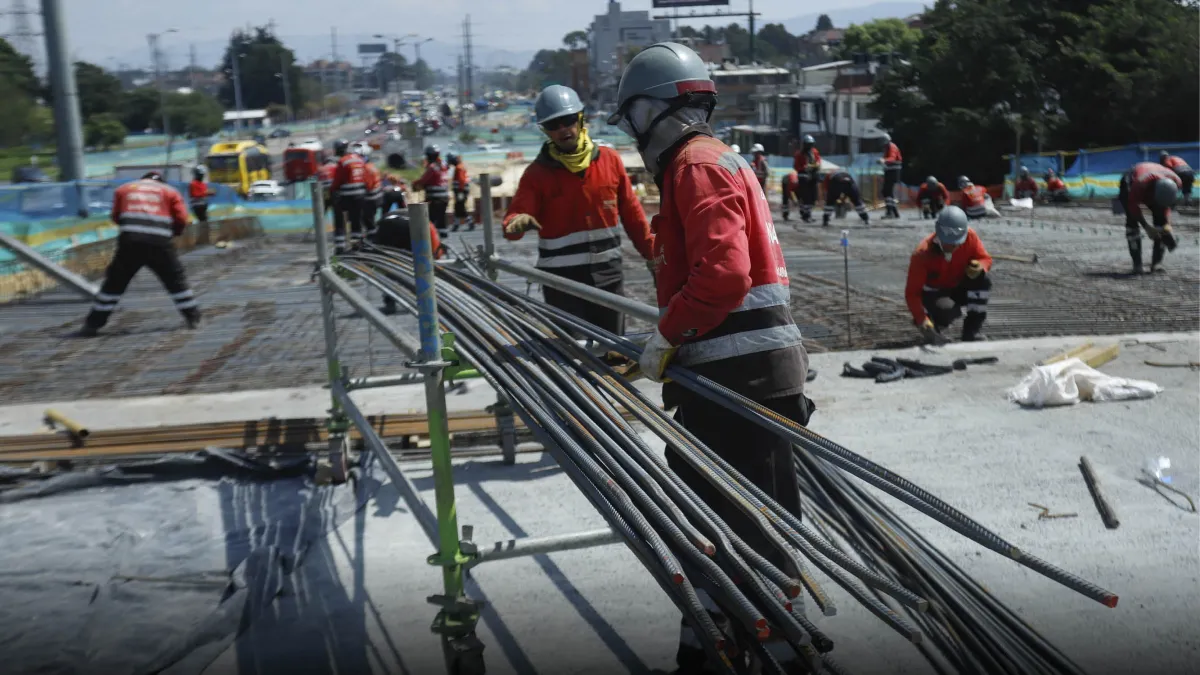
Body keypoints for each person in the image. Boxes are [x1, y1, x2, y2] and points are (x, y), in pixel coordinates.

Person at [608, 41, 812, 675]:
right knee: (754, 526)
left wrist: (667, 335)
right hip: (753, 375)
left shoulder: (693, 165)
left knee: (717, 526)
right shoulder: (719, 160)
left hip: (735, 379)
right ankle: (731, 650)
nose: (637, 134)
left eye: (635, 117)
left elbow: (723, 276)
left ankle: (760, 655)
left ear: (656, 110)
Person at [504, 84, 654, 336]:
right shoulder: (536, 175)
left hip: (608, 276)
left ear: (581, 119)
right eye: (554, 125)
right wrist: (515, 222)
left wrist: (653, 256)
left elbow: (633, 215)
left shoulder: (610, 161)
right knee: (573, 357)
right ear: (545, 131)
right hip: (562, 283)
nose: (563, 129)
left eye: (567, 120)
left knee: (614, 351)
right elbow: (515, 219)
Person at [77, 172, 200, 337]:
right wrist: (175, 232)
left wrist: (131, 228)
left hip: (130, 242)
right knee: (175, 280)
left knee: (114, 283)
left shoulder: (124, 189)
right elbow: (181, 219)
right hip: (160, 243)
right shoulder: (169, 191)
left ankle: (93, 324)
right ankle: (193, 318)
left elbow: (116, 216)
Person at [904, 205, 992, 344]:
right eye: (947, 242)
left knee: (983, 280)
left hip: (956, 288)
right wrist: (922, 319)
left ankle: (971, 332)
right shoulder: (922, 254)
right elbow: (912, 294)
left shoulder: (971, 238)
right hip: (934, 295)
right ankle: (934, 326)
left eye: (956, 243)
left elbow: (985, 258)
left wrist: (980, 266)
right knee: (946, 311)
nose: (951, 247)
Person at [373, 210, 445, 315]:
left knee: (390, 266)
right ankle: (425, 300)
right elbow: (434, 252)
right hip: (407, 226)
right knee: (418, 268)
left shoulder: (428, 226)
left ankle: (390, 303)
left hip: (388, 226)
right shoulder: (430, 231)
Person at [1118, 162, 1181, 274]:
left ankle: (1156, 263)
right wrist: (1147, 227)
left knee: (1162, 225)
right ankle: (1137, 264)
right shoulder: (1139, 183)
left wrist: (1167, 224)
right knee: (1132, 222)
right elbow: (1133, 206)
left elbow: (1166, 207)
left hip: (1153, 185)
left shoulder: (1176, 182)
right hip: (1131, 183)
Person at [330, 139, 367, 253]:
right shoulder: (360, 160)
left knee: (339, 219)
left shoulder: (343, 161)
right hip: (361, 196)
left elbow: (337, 181)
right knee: (356, 221)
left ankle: (340, 247)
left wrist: (332, 191)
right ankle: (357, 246)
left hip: (347, 197)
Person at [412, 145, 451, 234]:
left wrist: (415, 183)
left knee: (429, 219)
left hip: (435, 199)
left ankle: (432, 241)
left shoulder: (432, 167)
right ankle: (442, 238)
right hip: (444, 198)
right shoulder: (443, 166)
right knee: (441, 219)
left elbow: (424, 180)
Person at [792, 134, 821, 223]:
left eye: (811, 144)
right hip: (803, 177)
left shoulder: (815, 152)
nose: (809, 146)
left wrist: (816, 165)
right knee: (806, 197)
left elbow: (818, 160)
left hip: (813, 175)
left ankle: (808, 214)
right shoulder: (799, 154)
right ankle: (806, 215)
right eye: (808, 144)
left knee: (813, 196)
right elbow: (796, 166)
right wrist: (804, 168)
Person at [448, 153, 475, 231]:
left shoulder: (459, 168)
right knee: (457, 207)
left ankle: (470, 223)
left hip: (461, 191)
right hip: (461, 191)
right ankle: (456, 225)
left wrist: (460, 192)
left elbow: (461, 180)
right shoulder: (459, 167)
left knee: (460, 207)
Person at [879, 133, 903, 218]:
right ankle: (894, 212)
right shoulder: (887, 147)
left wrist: (883, 160)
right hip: (890, 171)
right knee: (887, 192)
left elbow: (892, 158)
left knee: (887, 191)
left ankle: (890, 212)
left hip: (893, 172)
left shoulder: (892, 147)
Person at [362, 152, 383, 238]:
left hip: (371, 198)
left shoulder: (366, 168)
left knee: (368, 220)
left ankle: (372, 238)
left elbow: (368, 185)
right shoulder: (372, 166)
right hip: (377, 196)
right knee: (371, 219)